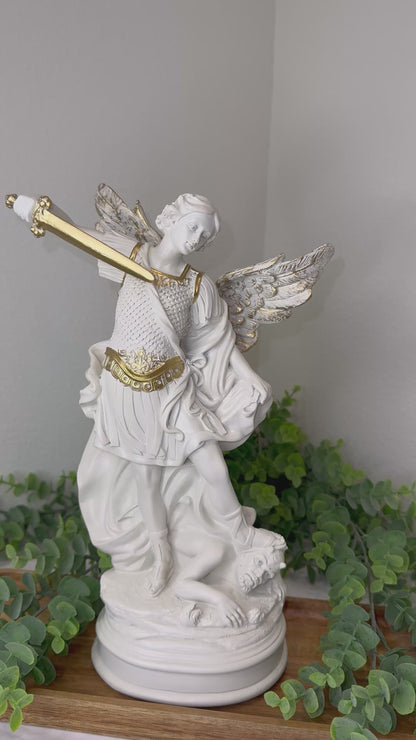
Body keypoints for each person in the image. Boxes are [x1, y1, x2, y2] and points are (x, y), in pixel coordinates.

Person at [13, 192, 280, 597]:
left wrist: (250, 377)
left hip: (173, 387)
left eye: (204, 236)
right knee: (147, 479)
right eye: (192, 226)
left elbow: (216, 342)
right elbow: (79, 236)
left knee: (211, 463)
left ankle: (240, 535)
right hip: (126, 389)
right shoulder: (129, 255)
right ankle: (162, 555)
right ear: (169, 219)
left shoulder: (197, 286)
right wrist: (41, 215)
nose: (196, 238)